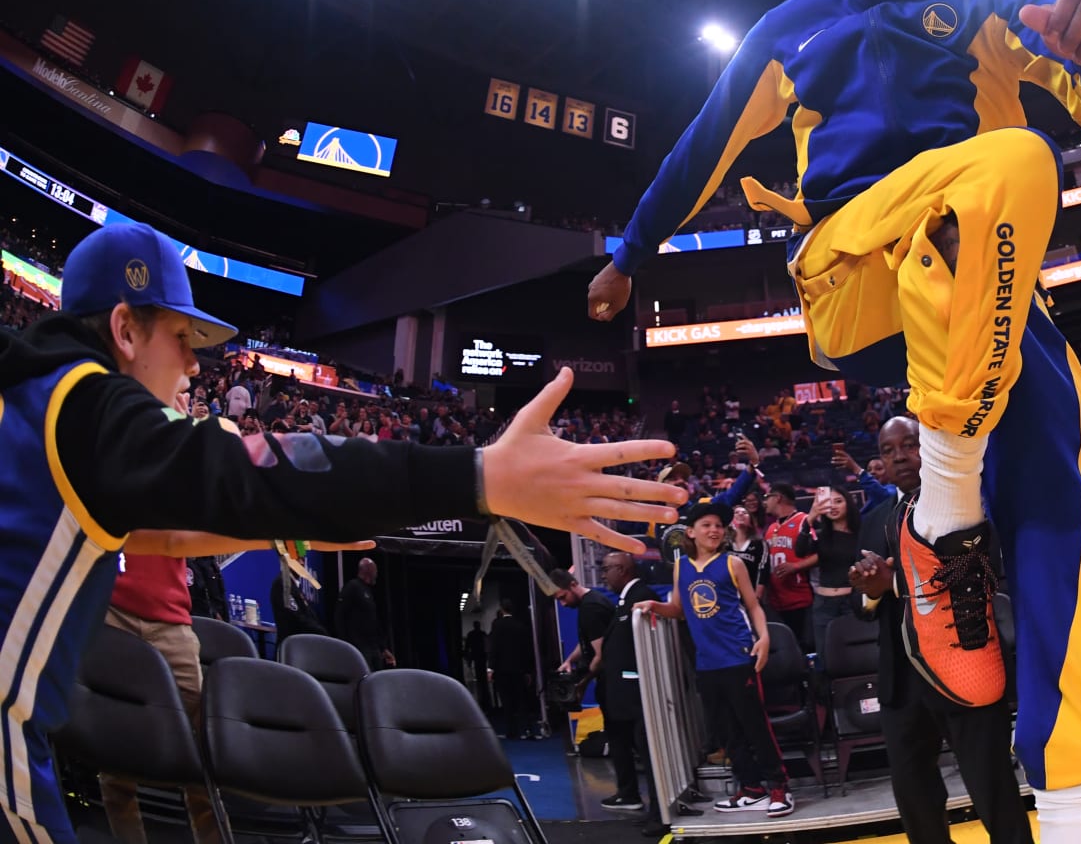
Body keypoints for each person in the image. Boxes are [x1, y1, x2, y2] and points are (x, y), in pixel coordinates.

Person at [586, 0, 1081, 842]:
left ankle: (1066, 818)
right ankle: (939, 499)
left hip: (982, 294)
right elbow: (702, 145)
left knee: (1069, 522)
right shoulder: (792, 27)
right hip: (856, 270)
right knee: (1009, 159)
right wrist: (631, 252)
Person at [0, 222, 685, 844]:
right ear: (124, 331)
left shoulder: (38, 404)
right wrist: (478, 477)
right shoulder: (77, 400)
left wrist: (286, 530)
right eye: (181, 339)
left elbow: (165, 537)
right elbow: (257, 473)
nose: (192, 365)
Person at [847, 417, 1031, 844]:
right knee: (914, 793)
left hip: (964, 664)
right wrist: (869, 590)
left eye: (908, 445)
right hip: (901, 679)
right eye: (889, 450)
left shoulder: (965, 498)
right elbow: (861, 605)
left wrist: (892, 584)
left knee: (992, 786)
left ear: (928, 446)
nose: (899, 456)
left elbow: (982, 571)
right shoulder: (874, 518)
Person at [636, 503, 794, 818]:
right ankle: (752, 788)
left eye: (718, 525)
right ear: (690, 532)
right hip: (706, 663)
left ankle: (780, 787)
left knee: (754, 725)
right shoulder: (681, 567)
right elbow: (680, 610)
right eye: (706, 525)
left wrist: (763, 639)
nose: (714, 530)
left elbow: (753, 605)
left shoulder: (732, 563)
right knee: (726, 731)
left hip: (738, 656)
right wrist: (654, 605)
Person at [598, 550, 658, 814]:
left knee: (650, 754)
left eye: (606, 569)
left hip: (638, 697)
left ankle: (660, 812)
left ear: (622, 569)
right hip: (625, 699)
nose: (603, 575)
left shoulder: (642, 598)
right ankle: (633, 797)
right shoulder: (624, 602)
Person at [796, 484, 861, 653]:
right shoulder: (821, 535)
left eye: (838, 501)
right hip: (823, 605)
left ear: (848, 503)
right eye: (828, 502)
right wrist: (810, 517)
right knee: (826, 656)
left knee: (854, 655)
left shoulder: (861, 533)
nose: (833, 506)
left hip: (852, 602)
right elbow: (800, 551)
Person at [760, 484, 816, 648]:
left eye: (767, 497)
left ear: (778, 498)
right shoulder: (771, 528)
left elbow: (819, 555)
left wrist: (795, 567)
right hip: (776, 601)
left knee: (804, 647)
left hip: (799, 600)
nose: (765, 502)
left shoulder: (803, 521)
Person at [553, 568, 615, 701]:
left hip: (611, 683)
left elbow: (601, 654)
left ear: (573, 585)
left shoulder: (590, 608)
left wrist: (583, 683)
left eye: (563, 597)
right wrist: (570, 660)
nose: (562, 604)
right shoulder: (592, 601)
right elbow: (588, 642)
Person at [488, 599, 537, 740]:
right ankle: (528, 729)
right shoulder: (521, 626)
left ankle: (512, 731)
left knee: (507, 701)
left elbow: (494, 648)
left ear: (502, 609)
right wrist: (528, 670)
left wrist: (490, 668)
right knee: (522, 699)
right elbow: (527, 650)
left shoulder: (497, 625)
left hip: (502, 669)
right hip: (519, 668)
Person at [336, 557, 393, 671]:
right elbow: (339, 616)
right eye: (375, 571)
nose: (376, 574)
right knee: (364, 677)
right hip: (360, 647)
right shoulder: (352, 587)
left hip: (373, 647)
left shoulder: (368, 591)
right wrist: (346, 645)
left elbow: (373, 622)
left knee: (377, 677)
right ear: (369, 570)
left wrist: (383, 648)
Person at [726, 504, 768, 593]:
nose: (740, 514)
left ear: (751, 521)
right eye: (736, 512)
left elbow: (763, 571)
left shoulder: (759, 543)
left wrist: (756, 598)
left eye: (745, 513)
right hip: (727, 596)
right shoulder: (724, 543)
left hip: (749, 595)